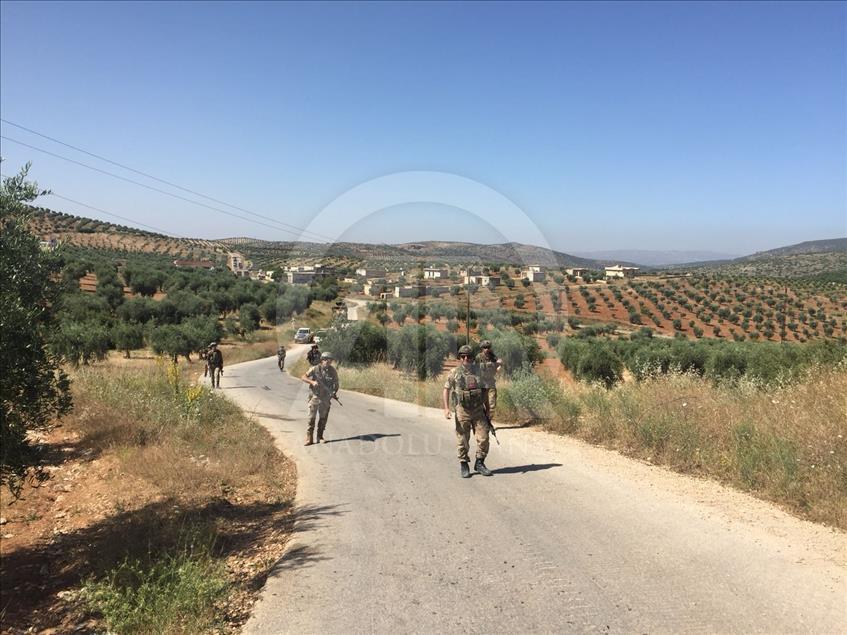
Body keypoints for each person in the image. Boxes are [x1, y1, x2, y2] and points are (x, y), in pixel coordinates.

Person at [443, 345, 493, 478]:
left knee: (484, 438)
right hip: (462, 410)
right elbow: (446, 389)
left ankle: (480, 463)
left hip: (478, 410)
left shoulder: (479, 373)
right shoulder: (454, 372)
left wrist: (488, 409)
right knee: (463, 439)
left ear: (472, 358)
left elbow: (484, 392)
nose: (466, 359)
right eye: (463, 356)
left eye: (469, 356)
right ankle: (464, 464)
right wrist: (446, 408)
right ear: (459, 358)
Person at [301, 351, 339, 446]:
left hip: (326, 398)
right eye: (327, 360)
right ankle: (309, 438)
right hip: (315, 396)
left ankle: (320, 437)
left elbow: (336, 384)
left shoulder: (332, 371)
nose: (328, 362)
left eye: (330, 361)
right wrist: (312, 382)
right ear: (322, 360)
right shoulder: (315, 368)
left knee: (323, 418)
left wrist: (334, 392)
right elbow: (303, 377)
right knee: (311, 418)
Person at [475, 340, 503, 420]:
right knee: (480, 403)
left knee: (492, 404)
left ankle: (488, 421)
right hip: (481, 383)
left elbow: (499, 365)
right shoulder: (478, 357)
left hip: (491, 382)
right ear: (482, 348)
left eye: (488, 347)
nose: (487, 349)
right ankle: (480, 419)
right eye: (485, 347)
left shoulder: (493, 357)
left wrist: (499, 366)